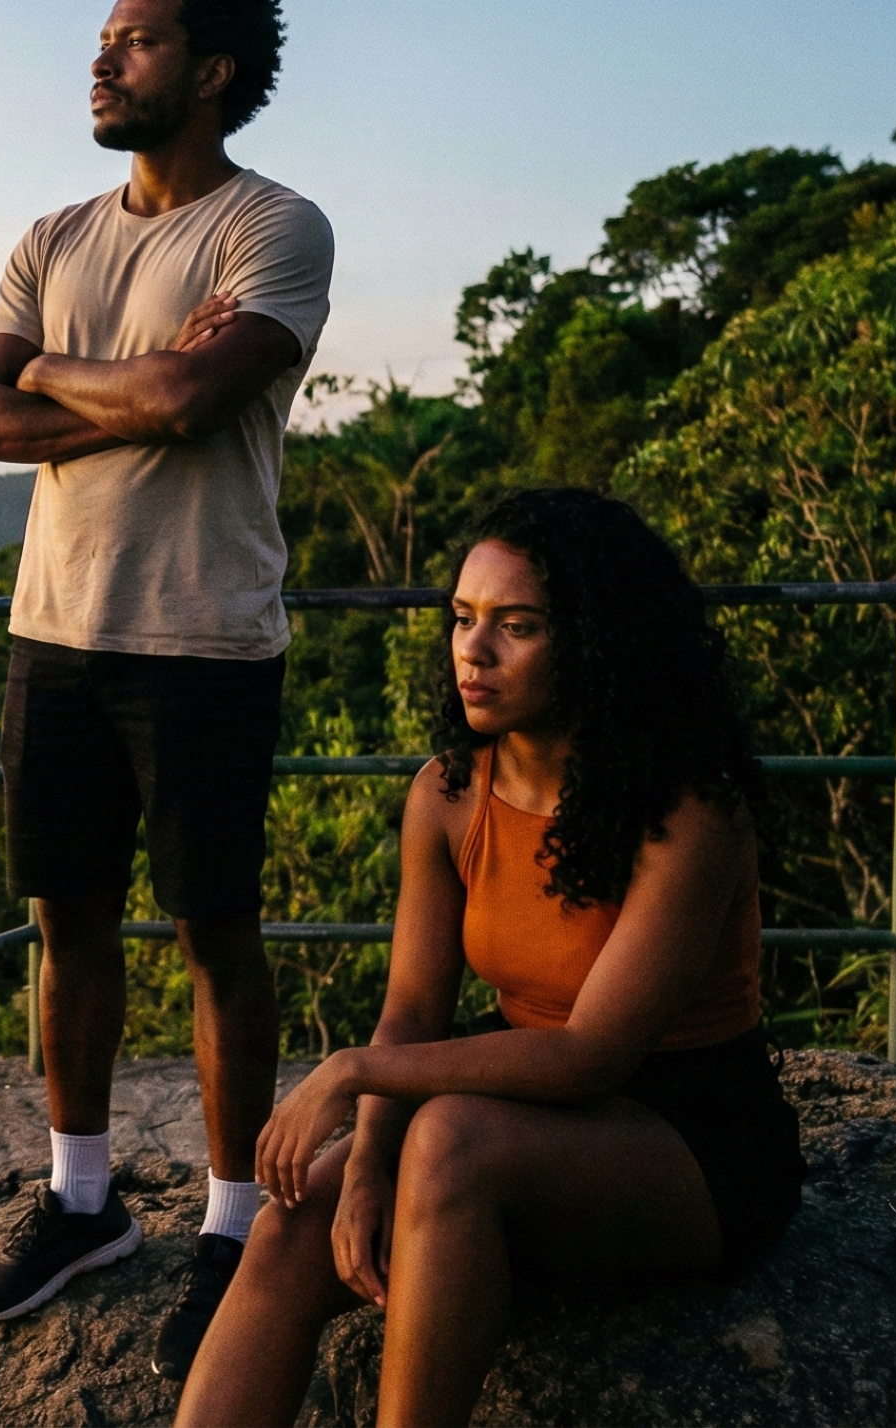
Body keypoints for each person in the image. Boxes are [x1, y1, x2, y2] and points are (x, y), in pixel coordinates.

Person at [174, 488, 807, 1427]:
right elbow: (415, 1012)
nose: (474, 650)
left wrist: (352, 1075)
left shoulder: (687, 816)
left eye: (517, 626)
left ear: (594, 642)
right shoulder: (450, 793)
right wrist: (366, 1164)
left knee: (450, 1143)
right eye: (464, 619)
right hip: (513, 1096)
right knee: (301, 1211)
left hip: (690, 1136)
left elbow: (593, 1053)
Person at [0, 0, 333, 1378]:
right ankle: (85, 1199)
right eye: (105, 38)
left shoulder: (273, 229)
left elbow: (190, 397)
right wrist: (101, 381)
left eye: (139, 41)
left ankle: (235, 1225)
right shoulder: (53, 238)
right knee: (67, 925)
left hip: (204, 642)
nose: (104, 58)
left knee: (216, 934)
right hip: (53, 635)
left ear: (212, 72)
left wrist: (48, 368)